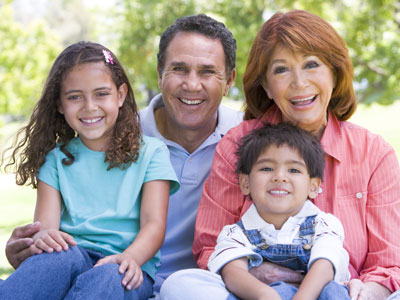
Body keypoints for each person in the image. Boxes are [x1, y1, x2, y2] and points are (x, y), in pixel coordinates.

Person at [160, 10, 400, 300]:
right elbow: (211, 246)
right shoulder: (239, 143)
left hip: (342, 292)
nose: (299, 83)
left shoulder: (373, 154)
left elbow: (389, 263)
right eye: (281, 70)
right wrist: (262, 281)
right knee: (180, 285)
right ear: (266, 86)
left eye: (312, 65)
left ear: (334, 73)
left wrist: (366, 291)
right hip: (253, 291)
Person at [4, 14, 244, 296]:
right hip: (84, 262)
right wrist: (35, 246)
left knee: (109, 278)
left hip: (164, 280)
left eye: (207, 71)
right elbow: (47, 231)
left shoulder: (249, 140)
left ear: (229, 81)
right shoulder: (116, 134)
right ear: (159, 73)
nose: (192, 84)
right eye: (179, 69)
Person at [0, 41, 179, 300]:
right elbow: (48, 230)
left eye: (101, 94)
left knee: (108, 277)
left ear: (120, 95)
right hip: (72, 254)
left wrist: (131, 257)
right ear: (60, 104)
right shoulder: (56, 159)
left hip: (126, 264)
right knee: (53, 258)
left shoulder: (152, 153)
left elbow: (154, 224)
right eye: (75, 97)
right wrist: (44, 239)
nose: (89, 106)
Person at [209, 123, 350, 300]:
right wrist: (266, 295)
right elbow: (233, 272)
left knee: (334, 291)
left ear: (313, 187)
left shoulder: (323, 224)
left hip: (315, 295)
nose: (280, 177)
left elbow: (325, 264)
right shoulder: (236, 233)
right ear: (245, 183)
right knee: (186, 282)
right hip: (265, 296)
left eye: (294, 170)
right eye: (266, 168)